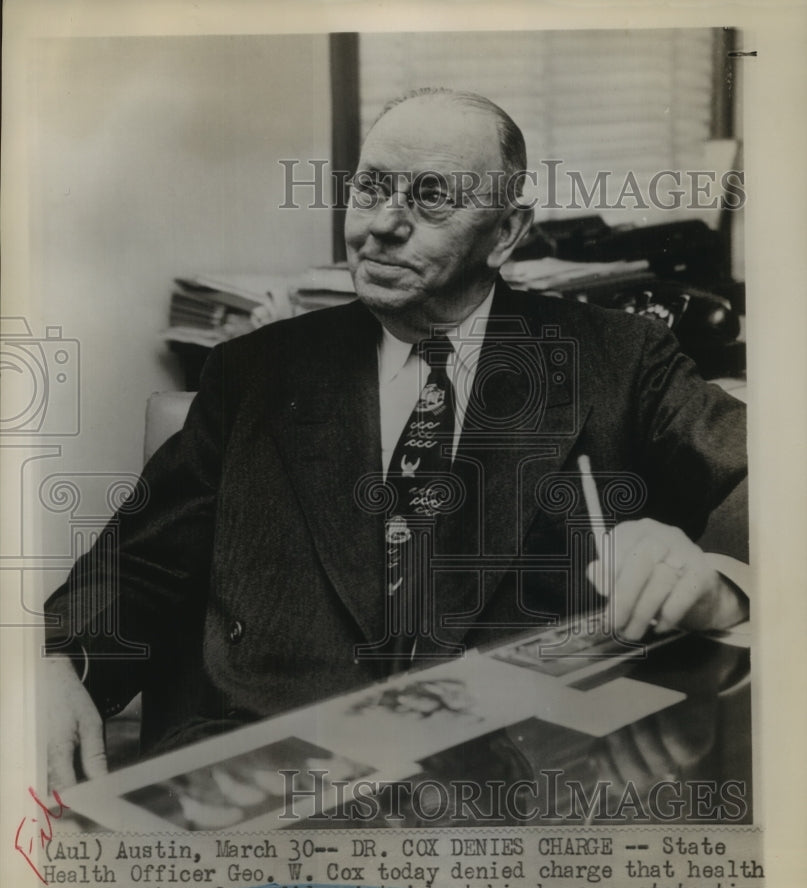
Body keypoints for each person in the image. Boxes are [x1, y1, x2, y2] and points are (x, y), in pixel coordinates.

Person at [43, 89, 748, 790]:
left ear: (504, 233)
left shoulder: (618, 360)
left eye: (431, 198)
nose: (381, 224)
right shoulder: (255, 370)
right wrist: (54, 663)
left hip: (516, 784)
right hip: (270, 776)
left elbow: (763, 480)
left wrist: (721, 586)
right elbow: (140, 567)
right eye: (372, 187)